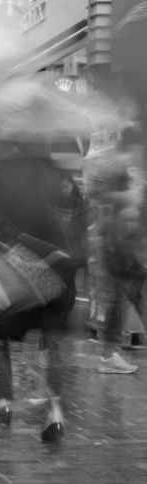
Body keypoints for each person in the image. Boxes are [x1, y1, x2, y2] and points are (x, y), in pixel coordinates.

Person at [0, 141, 87, 444]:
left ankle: (3, 403)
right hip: (57, 274)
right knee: (52, 342)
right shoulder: (52, 171)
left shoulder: (1, 175)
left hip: (22, 278)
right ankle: (55, 414)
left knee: (1, 338)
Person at [86, 126, 146, 373]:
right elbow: (97, 194)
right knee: (123, 298)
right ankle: (108, 354)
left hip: (119, 243)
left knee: (126, 297)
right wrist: (130, 196)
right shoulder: (114, 165)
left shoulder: (119, 166)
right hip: (114, 244)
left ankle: (109, 353)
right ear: (133, 146)